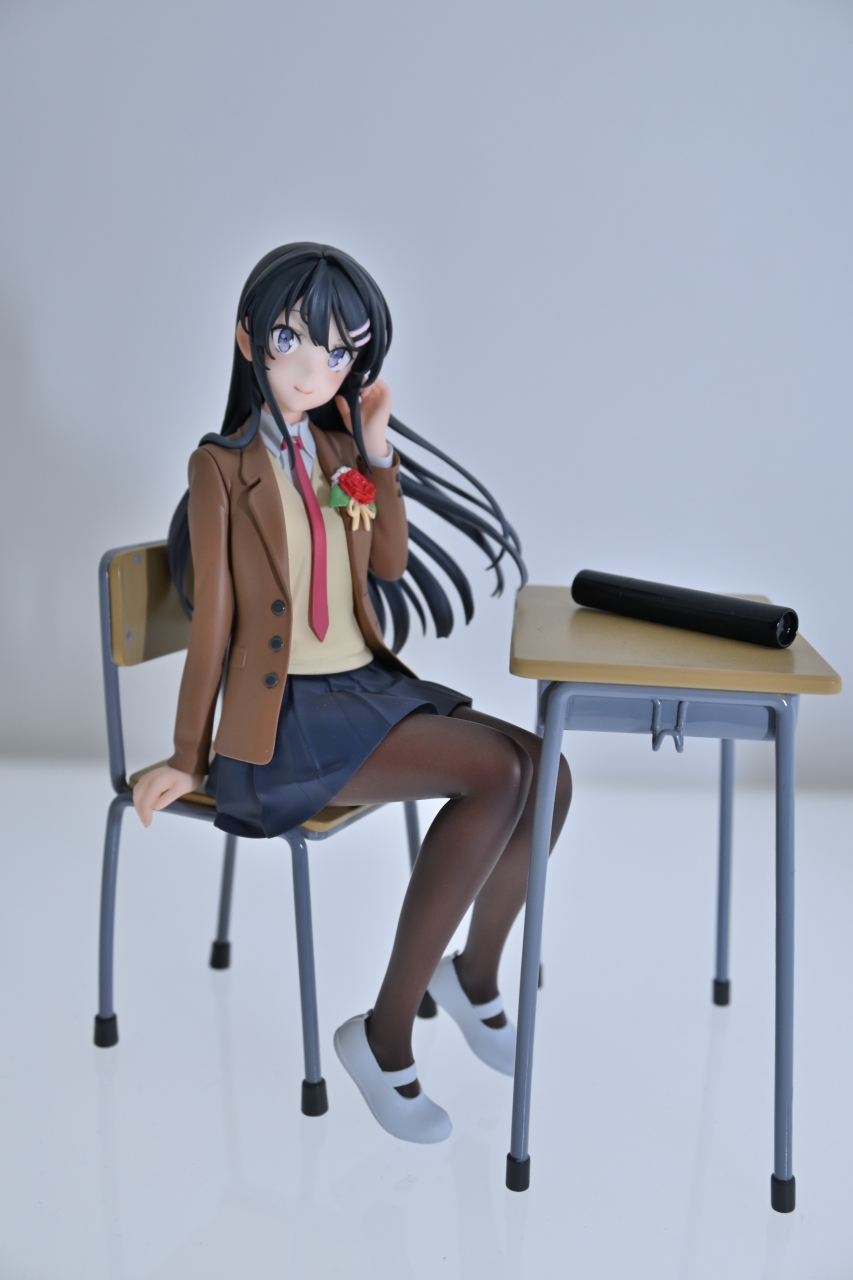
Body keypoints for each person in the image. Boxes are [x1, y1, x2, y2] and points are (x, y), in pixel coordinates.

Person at [133, 243, 571, 1143]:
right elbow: (214, 619)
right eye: (292, 341)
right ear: (249, 338)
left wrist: (375, 454)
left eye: (337, 353)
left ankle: (472, 977)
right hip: (286, 719)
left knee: (548, 771)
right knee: (497, 772)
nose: (312, 369)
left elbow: (389, 562)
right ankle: (384, 1039)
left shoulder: (338, 453)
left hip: (362, 686)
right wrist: (186, 756)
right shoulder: (220, 469)